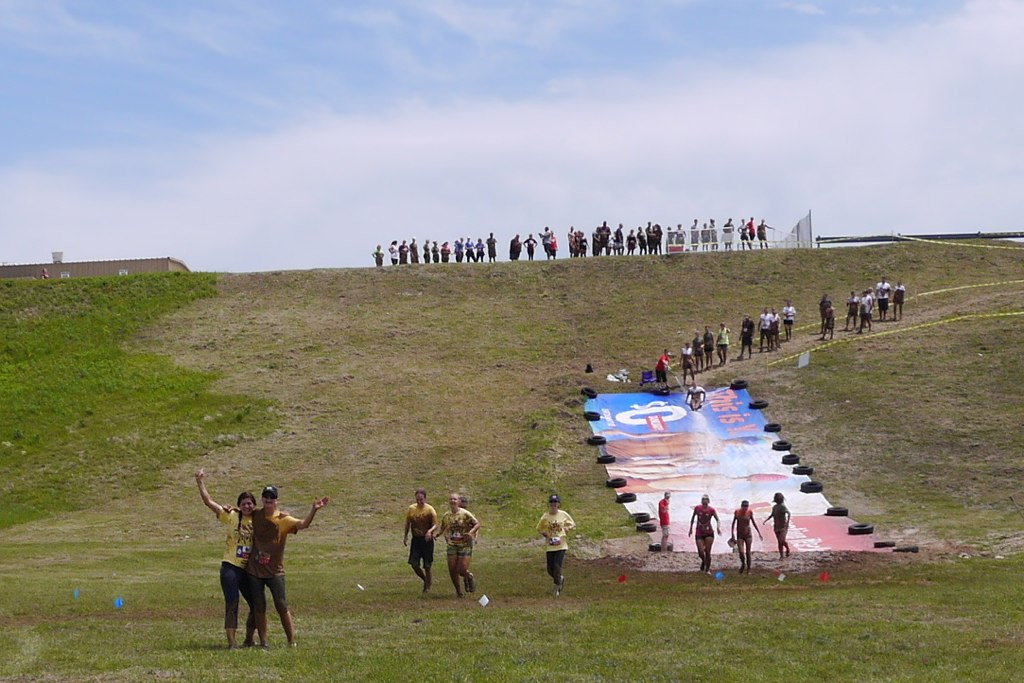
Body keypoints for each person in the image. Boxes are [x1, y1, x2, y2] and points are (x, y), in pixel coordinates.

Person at [247, 485, 329, 648]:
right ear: (262, 499)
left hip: (275, 571)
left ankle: (291, 641)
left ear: (276, 500)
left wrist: (314, 510)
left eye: (272, 497)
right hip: (255, 570)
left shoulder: (284, 519)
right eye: (266, 497)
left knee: (281, 604)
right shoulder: (255, 515)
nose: (268, 500)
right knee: (259, 605)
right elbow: (240, 511)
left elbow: (303, 524)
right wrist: (229, 508)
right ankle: (263, 642)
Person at [194, 469, 256, 649]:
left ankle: (249, 639)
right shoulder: (231, 516)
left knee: (256, 603)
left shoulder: (257, 519)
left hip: (248, 569)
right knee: (232, 603)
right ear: (239, 505)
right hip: (230, 568)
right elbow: (209, 502)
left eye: (250, 504)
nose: (247, 507)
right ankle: (232, 643)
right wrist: (200, 482)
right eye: (243, 504)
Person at [429, 493, 481, 598]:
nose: (453, 501)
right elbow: (443, 527)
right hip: (452, 544)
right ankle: (459, 592)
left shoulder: (465, 514)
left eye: (455, 499)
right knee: (452, 569)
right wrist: (436, 535)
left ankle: (469, 577)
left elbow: (477, 524)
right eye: (451, 499)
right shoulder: (446, 516)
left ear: (459, 502)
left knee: (461, 569)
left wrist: (471, 533)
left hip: (464, 544)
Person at [536, 494, 576, 596]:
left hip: (561, 545)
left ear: (559, 504)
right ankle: (559, 579)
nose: (553, 505)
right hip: (550, 545)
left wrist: (567, 528)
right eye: (552, 503)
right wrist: (545, 534)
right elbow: (539, 528)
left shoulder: (563, 514)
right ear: (549, 504)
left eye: (555, 503)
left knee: (557, 566)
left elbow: (572, 524)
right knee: (550, 569)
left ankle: (557, 587)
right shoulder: (545, 516)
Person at [404, 488, 438, 593]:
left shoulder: (430, 510)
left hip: (427, 540)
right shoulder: (411, 509)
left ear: (425, 499)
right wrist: (405, 536)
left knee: (427, 565)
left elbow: (435, 524)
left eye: (421, 500)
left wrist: (430, 531)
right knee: (414, 564)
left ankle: (427, 586)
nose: (419, 502)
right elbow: (408, 523)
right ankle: (425, 580)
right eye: (418, 499)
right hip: (416, 540)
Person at [688, 494, 721, 574]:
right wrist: (690, 529)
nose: (705, 503)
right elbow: (692, 518)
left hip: (709, 532)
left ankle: (707, 569)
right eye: (703, 501)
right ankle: (704, 561)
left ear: (708, 502)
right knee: (700, 551)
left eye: (706, 502)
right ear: (702, 501)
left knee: (708, 551)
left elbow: (718, 520)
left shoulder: (711, 510)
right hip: (699, 532)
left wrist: (718, 527)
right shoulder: (697, 508)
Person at [730, 500, 762, 573]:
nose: (745, 508)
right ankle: (743, 564)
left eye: (746, 506)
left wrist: (759, 533)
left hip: (748, 534)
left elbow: (753, 523)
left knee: (748, 552)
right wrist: (732, 534)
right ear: (741, 506)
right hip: (740, 535)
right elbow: (733, 523)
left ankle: (749, 569)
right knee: (741, 552)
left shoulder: (749, 512)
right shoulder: (737, 512)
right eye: (744, 506)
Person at [764, 492, 791, 559]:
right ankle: (781, 555)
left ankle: (787, 549)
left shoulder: (782, 506)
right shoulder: (775, 507)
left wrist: (787, 522)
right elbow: (772, 514)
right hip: (776, 526)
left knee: (782, 540)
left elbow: (788, 513)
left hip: (783, 526)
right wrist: (766, 520)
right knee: (779, 542)